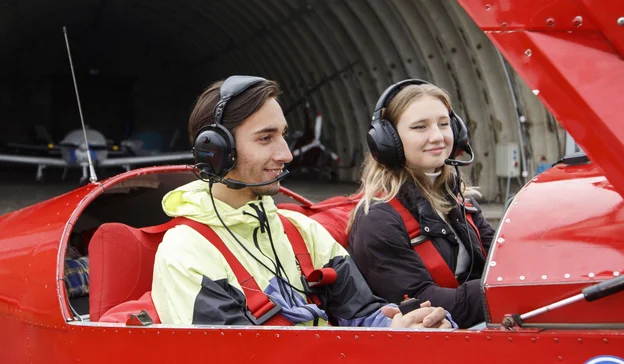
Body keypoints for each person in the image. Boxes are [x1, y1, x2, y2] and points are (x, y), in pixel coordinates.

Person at [150, 75, 455, 329]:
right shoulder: (186, 253)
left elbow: (361, 316)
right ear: (216, 150)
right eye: (265, 138)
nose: (287, 154)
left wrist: (401, 328)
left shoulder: (300, 230)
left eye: (283, 135)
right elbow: (233, 354)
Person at [346, 79, 496, 328]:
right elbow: (424, 305)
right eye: (419, 127)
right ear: (387, 141)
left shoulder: (459, 198)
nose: (437, 136)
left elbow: (498, 259)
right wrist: (507, 288)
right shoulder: (377, 219)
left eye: (444, 124)